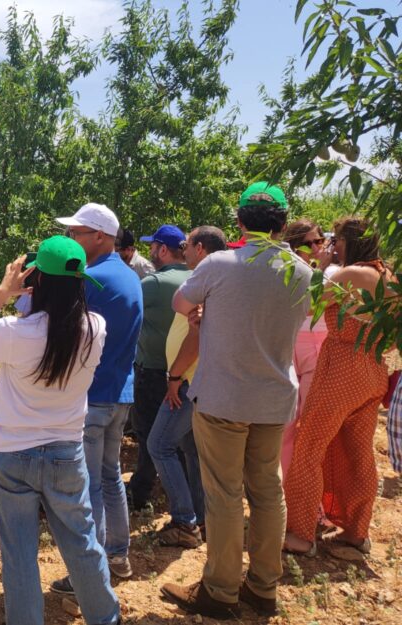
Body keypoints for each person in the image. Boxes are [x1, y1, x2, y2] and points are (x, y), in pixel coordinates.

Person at [161, 182, 312, 619]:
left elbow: (179, 302)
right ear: (283, 224)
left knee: (225, 495)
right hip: (274, 399)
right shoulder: (301, 270)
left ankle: (220, 591)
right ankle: (263, 588)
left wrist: (203, 310)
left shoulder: (221, 264)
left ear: (240, 222)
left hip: (223, 397)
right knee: (267, 490)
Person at [0, 237, 120, 625]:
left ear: (37, 282)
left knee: (18, 552)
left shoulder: (14, 332)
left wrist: (1, 295)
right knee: (82, 545)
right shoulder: (95, 328)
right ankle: (105, 618)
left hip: (11, 454)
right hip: (67, 453)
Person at [283, 217, 393, 556]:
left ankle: (301, 534)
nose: (331, 245)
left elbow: (309, 306)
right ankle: (356, 533)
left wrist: (324, 268)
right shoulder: (387, 276)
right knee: (359, 453)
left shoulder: (348, 275)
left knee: (307, 447)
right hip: (374, 369)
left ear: (348, 241)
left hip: (342, 369)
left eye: (336, 240)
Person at [49, 203, 143, 595]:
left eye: (77, 233)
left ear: (99, 237)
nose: (71, 239)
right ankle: (118, 554)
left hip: (93, 396)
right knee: (109, 476)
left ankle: (91, 570)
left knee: (87, 485)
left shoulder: (89, 279)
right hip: (121, 392)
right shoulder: (129, 274)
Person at [147, 226, 226, 549]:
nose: (184, 251)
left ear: (201, 248)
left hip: (189, 381)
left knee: (159, 445)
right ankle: (202, 517)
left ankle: (184, 521)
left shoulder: (206, 282)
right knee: (191, 450)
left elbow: (195, 336)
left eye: (187, 244)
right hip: (198, 381)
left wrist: (175, 377)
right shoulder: (215, 280)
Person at [128, 225, 191, 511]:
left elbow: (125, 314)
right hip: (187, 373)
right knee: (182, 439)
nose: (150, 252)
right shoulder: (195, 278)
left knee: (147, 435)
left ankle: (140, 493)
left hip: (153, 371)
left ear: (163, 250)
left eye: (153, 246)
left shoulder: (152, 283)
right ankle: (183, 491)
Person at [279, 219, 331, 477]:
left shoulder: (336, 272)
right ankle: (289, 488)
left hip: (317, 343)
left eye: (318, 241)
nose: (313, 247)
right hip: (290, 342)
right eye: (306, 243)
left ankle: (310, 491)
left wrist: (321, 270)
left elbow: (316, 305)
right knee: (287, 423)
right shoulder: (288, 269)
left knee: (310, 423)